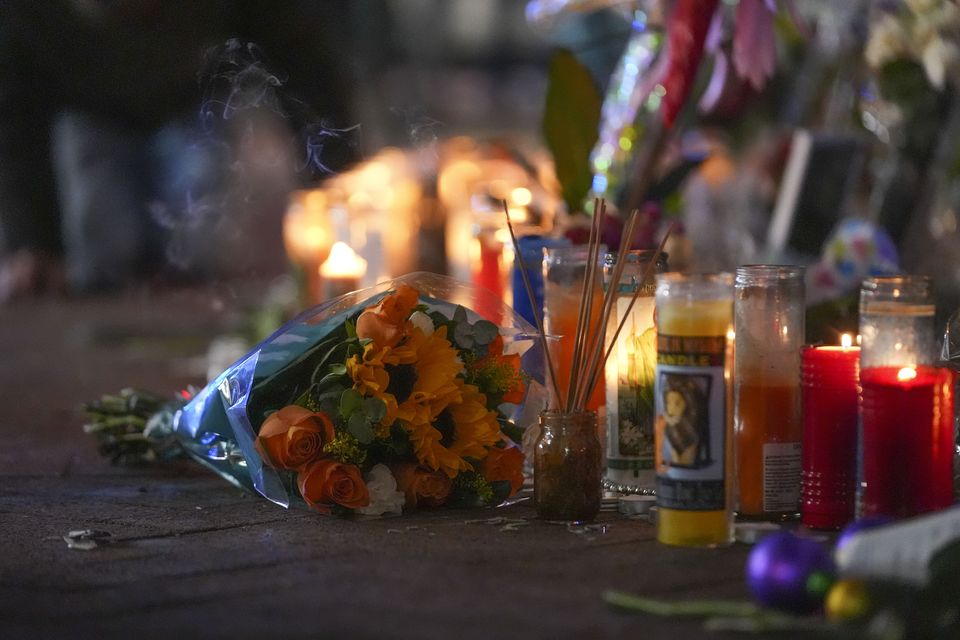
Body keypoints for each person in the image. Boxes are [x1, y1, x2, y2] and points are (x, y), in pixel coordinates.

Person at [0, 0, 355, 301]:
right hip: (90, 115)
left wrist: (336, 186)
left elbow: (300, 63)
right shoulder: (29, 17)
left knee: (199, 236)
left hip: (189, 101)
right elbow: (16, 119)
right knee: (101, 241)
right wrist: (31, 242)